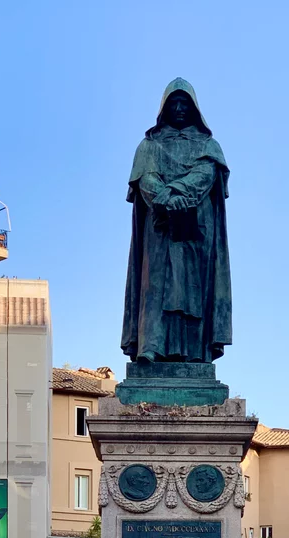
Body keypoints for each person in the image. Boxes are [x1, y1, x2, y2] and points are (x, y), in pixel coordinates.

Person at [121, 78, 232, 365]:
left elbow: (206, 175)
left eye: (185, 103)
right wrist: (165, 199)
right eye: (174, 103)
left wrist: (176, 192)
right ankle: (151, 346)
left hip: (196, 226)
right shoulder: (149, 145)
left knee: (193, 288)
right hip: (160, 225)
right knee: (154, 285)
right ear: (164, 108)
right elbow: (145, 178)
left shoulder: (208, 145)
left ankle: (196, 351)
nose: (180, 108)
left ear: (194, 108)